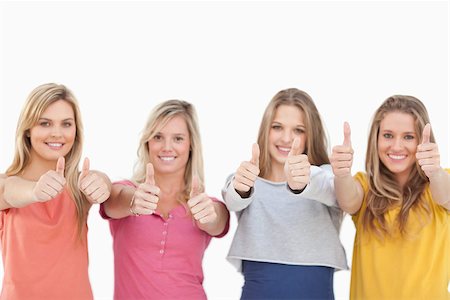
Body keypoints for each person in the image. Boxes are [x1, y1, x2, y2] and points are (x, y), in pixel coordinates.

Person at [223, 88, 347, 299]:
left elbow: (329, 188)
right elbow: (233, 199)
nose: (286, 138)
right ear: (266, 130)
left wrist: (302, 180)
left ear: (310, 134)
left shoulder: (324, 175)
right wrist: (241, 187)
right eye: (277, 127)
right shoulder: (248, 178)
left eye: (298, 130)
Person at [101, 99, 230, 300]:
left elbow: (218, 220)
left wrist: (210, 216)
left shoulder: (204, 204)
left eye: (178, 138)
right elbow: (115, 200)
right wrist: (135, 201)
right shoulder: (126, 191)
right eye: (158, 137)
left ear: (190, 146)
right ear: (148, 143)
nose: (167, 147)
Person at [330, 95, 449, 300]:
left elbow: (445, 195)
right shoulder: (366, 187)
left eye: (408, 137)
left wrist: (435, 171)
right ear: (375, 139)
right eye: (388, 135)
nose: (396, 146)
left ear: (422, 140)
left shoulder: (439, 185)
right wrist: (341, 174)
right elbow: (348, 200)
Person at [0, 83, 111, 300]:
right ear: (28, 130)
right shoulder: (7, 184)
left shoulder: (81, 183)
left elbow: (107, 185)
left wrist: (103, 185)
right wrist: (35, 191)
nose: (57, 133)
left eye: (66, 124)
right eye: (45, 123)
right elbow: (8, 192)